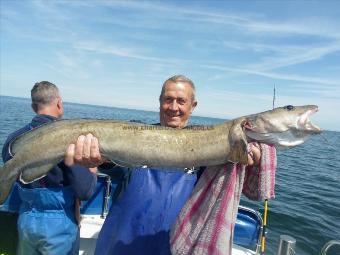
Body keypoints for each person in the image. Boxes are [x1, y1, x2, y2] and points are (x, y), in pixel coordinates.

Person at [65, 75, 262, 255]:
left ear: (193, 106)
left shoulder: (210, 153)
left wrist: (252, 158)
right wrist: (99, 158)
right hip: (119, 247)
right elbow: (112, 163)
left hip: (172, 248)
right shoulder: (134, 136)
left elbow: (232, 182)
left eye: (181, 101)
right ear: (159, 102)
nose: (173, 107)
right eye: (168, 99)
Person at [1, 81, 97, 255]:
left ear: (33, 106)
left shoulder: (12, 140)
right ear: (59, 103)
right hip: (59, 225)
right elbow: (85, 191)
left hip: (25, 220)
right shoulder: (69, 139)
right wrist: (92, 169)